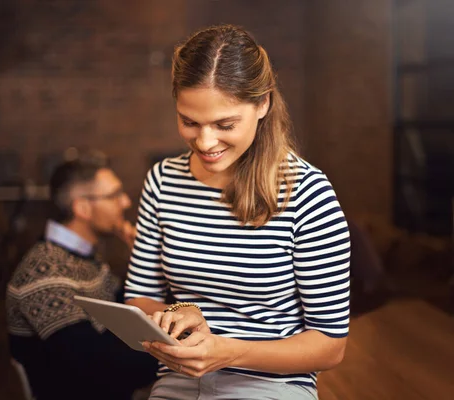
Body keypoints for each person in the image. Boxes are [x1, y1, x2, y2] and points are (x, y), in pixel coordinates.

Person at [124, 24, 350, 400]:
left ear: (262, 105)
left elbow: (330, 346)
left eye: (224, 124)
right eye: (189, 122)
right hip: (178, 381)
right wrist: (182, 313)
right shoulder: (162, 181)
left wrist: (229, 351)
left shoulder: (308, 194)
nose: (205, 141)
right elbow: (138, 300)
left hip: (271, 386)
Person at [6, 150, 158, 400]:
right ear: (83, 208)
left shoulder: (83, 255)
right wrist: (176, 359)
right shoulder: (45, 274)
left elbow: (127, 311)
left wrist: (143, 262)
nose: (126, 203)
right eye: (114, 195)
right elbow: (94, 367)